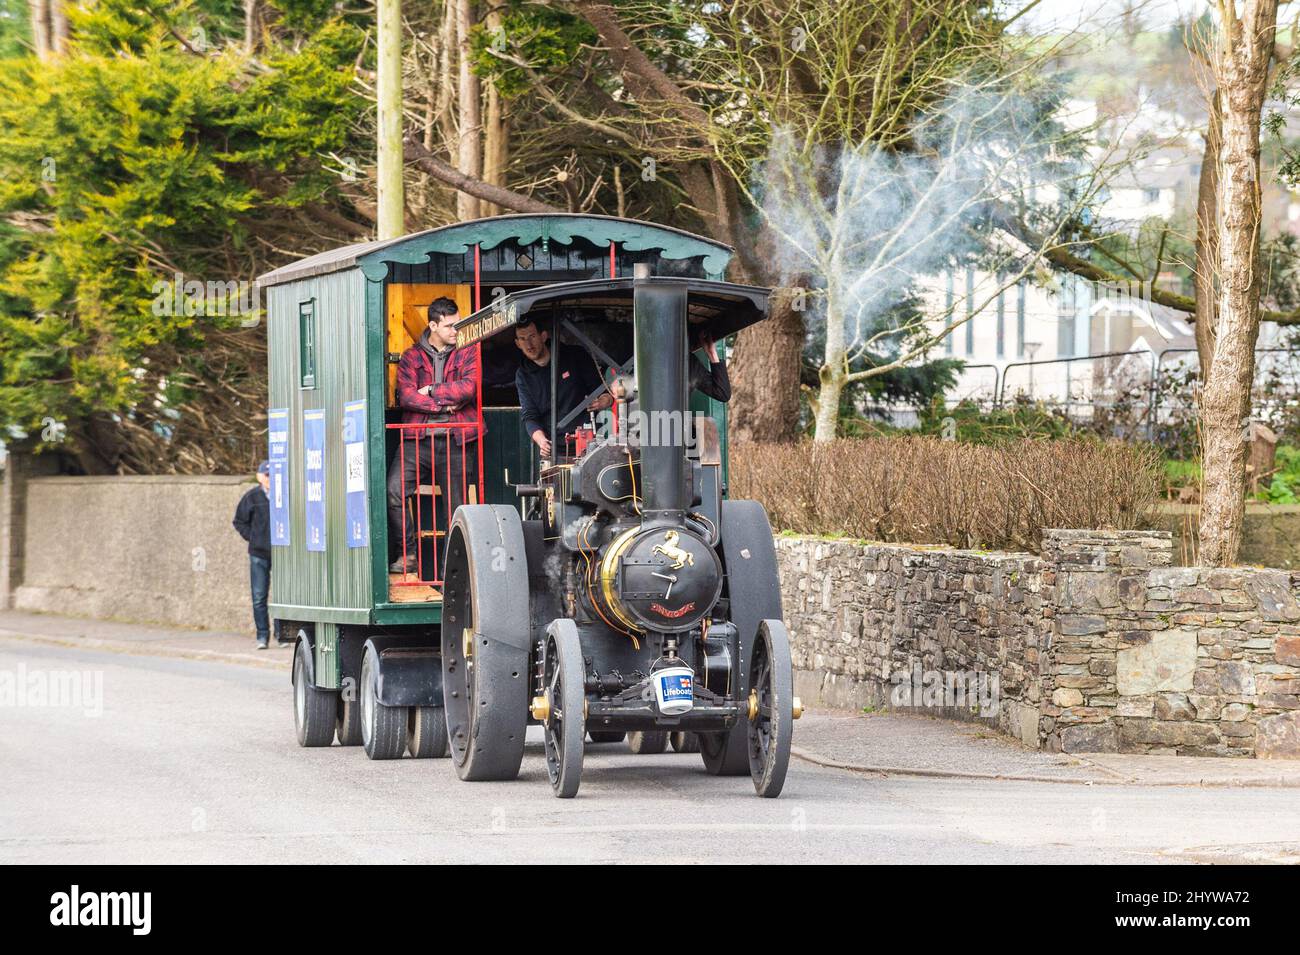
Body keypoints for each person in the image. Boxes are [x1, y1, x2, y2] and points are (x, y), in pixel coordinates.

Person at [386, 297, 480, 574]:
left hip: (456, 439)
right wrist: (441, 404)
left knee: (456, 507)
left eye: (458, 324)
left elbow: (467, 389)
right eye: (450, 326)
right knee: (394, 491)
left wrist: (429, 391)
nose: (456, 330)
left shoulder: (468, 350)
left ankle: (453, 567)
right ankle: (409, 554)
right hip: (418, 439)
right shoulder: (411, 357)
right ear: (433, 325)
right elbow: (405, 397)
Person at [514, 317, 611, 459]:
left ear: (543, 336)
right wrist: (542, 441)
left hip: (590, 442)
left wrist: (604, 400)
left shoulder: (575, 355)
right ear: (517, 344)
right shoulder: (522, 375)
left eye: (532, 336)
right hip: (555, 450)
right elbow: (529, 415)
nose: (528, 344)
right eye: (523, 339)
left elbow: (602, 391)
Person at [233, 461, 278, 649]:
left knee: (282, 596)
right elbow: (239, 521)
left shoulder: (283, 496)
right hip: (259, 553)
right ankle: (262, 636)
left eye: (273, 475)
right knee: (259, 596)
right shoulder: (252, 497)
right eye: (267, 475)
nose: (270, 479)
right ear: (260, 477)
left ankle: (282, 635)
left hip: (281, 553)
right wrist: (253, 538)